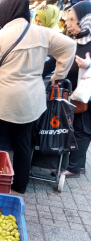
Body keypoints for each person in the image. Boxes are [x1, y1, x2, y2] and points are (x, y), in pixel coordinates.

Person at [0, 0, 76, 193]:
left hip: (1, 100)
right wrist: (58, 76)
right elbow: (69, 46)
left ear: (6, 14)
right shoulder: (42, 33)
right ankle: (20, 186)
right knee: (23, 144)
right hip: (30, 100)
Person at [43, 1, 91, 178]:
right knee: (74, 127)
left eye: (72, 19)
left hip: (86, 97)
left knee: (82, 129)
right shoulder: (73, 42)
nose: (67, 23)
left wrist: (89, 65)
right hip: (72, 95)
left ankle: (74, 168)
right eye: (67, 19)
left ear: (85, 20)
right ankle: (78, 163)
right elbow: (54, 62)